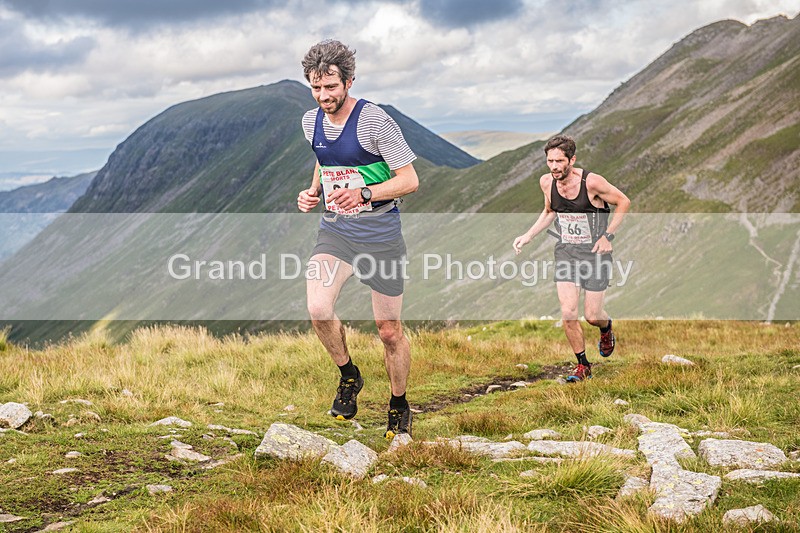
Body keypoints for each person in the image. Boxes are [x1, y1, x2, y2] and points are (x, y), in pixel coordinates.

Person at [297, 40, 419, 439]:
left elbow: (409, 180)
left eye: (331, 87)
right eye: (316, 88)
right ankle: (349, 375)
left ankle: (399, 404)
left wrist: (365, 193)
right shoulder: (310, 121)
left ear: (349, 81)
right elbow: (325, 160)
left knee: (389, 331)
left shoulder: (374, 121)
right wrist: (313, 190)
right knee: (318, 308)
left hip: (380, 232)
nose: (323, 96)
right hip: (337, 229)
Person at [513, 135, 630, 382]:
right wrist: (528, 236)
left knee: (592, 315)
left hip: (596, 254)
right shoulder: (547, 182)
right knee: (568, 312)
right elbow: (549, 211)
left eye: (559, 161)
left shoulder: (592, 182)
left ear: (572, 160)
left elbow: (623, 202)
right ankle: (582, 365)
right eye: (550, 161)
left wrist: (608, 236)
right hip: (566, 252)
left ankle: (606, 327)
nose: (554, 166)